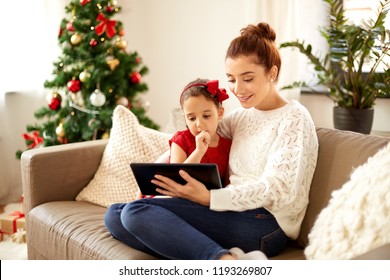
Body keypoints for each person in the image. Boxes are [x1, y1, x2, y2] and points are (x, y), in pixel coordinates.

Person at [104, 22, 319, 260]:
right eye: (231, 79)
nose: (238, 89)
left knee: (134, 214)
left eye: (247, 78)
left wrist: (209, 198)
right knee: (115, 214)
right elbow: (191, 137)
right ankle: (209, 250)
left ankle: (220, 261)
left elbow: (279, 189)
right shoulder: (242, 117)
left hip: (266, 224)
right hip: (227, 211)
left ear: (272, 73)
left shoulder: (294, 117)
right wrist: (156, 179)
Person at [168, 78, 232, 184]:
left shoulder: (227, 146)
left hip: (206, 199)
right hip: (175, 198)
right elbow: (176, 181)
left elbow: (227, 186)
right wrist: (199, 152)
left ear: (220, 113)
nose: (199, 124)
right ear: (185, 118)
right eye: (192, 118)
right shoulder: (181, 140)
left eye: (206, 116)